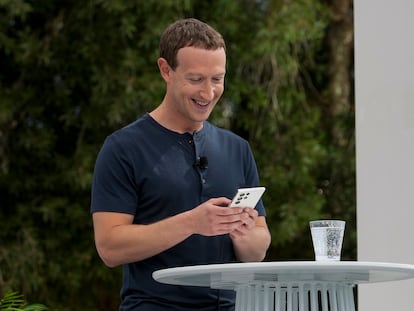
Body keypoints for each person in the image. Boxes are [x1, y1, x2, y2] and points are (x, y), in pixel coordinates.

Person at [90, 18, 271, 311]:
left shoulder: (238, 148)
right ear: (166, 70)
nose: (208, 93)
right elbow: (110, 247)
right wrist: (192, 222)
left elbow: (257, 250)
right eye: (196, 79)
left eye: (217, 79)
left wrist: (245, 234)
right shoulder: (122, 148)